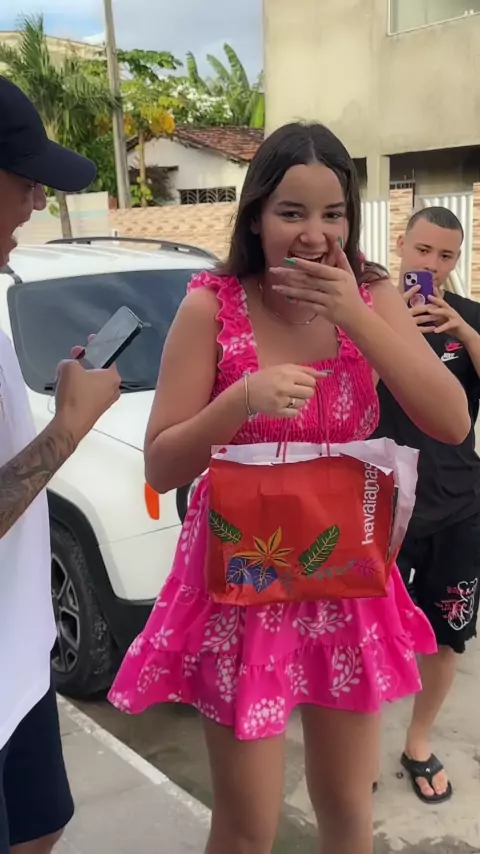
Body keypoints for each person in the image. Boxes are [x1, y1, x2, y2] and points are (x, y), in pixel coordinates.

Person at [109, 123, 469, 854]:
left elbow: (452, 419)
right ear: (256, 217)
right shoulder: (211, 305)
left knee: (347, 806)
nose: (314, 233)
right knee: (247, 827)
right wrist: (239, 402)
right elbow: (160, 465)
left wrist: (353, 315)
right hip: (243, 586)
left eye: (333, 214)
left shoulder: (371, 295)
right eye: (291, 212)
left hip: (343, 579)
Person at [0, 76, 121, 854]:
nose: (37, 203)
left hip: (19, 658)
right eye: (25, 180)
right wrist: (67, 430)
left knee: (42, 826)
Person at [373, 206, 480, 804]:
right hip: (379, 507)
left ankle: (418, 742)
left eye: (445, 256)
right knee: (363, 635)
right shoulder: (368, 316)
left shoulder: (468, 320)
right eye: (422, 251)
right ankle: (357, 745)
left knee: (447, 632)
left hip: (459, 503)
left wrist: (464, 331)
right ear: (401, 246)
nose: (432, 265)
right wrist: (394, 334)